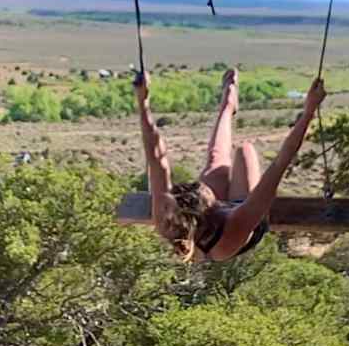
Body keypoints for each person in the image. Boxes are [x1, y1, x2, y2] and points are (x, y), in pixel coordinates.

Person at [134, 68, 327, 261]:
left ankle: (227, 104)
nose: (205, 186)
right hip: (241, 214)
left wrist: (143, 103)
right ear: (211, 207)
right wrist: (309, 110)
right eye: (205, 191)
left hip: (208, 224)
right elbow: (279, 164)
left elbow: (156, 158)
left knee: (215, 160)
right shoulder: (233, 229)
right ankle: (228, 107)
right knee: (244, 150)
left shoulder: (167, 213)